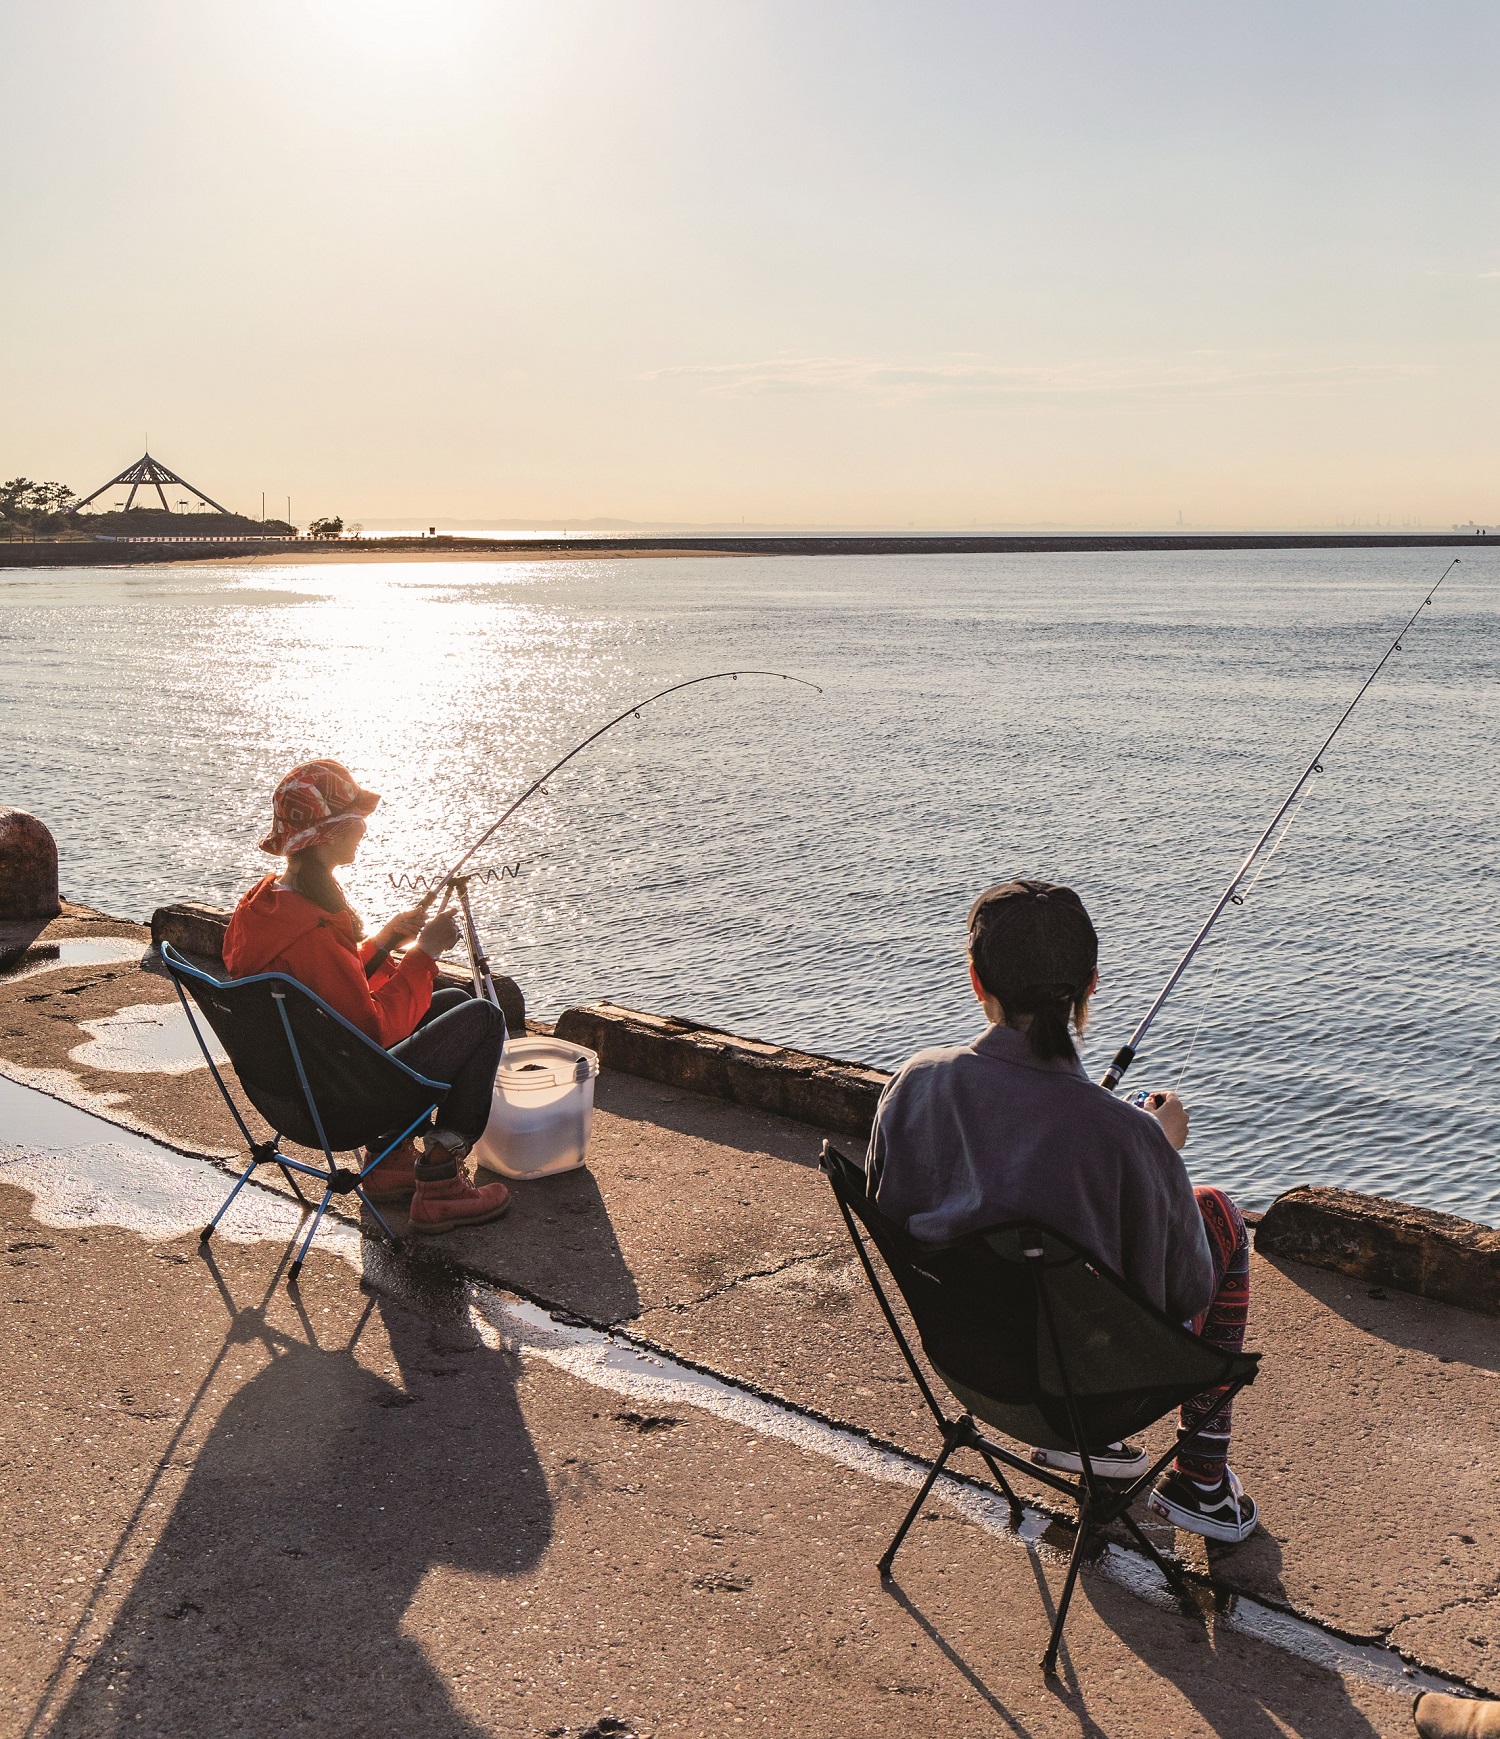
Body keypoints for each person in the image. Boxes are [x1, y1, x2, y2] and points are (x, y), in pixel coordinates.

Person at [868, 878, 1257, 1543]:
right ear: (1093, 983)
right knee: (1217, 1210)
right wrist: (1160, 1151)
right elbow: (1187, 1289)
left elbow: (893, 1208)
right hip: (1097, 1391)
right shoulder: (1130, 1140)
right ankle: (1203, 1479)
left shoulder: (914, 1085)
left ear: (975, 979)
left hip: (972, 1370)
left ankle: (1097, 1451)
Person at [223, 758, 511, 1234]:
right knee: (481, 1016)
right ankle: (439, 1182)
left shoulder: (269, 905)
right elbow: (374, 1030)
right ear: (328, 835)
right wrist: (425, 953)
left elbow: (325, 986)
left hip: (293, 1083)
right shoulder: (315, 927)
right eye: (355, 822)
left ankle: (389, 1161)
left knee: (451, 1005)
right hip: (341, 1099)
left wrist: (381, 944)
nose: (363, 832)